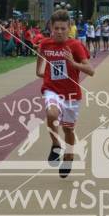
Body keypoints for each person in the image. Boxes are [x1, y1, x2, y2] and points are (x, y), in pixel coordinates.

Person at [36, 9, 94, 178]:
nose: (59, 32)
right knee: (51, 113)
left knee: (68, 130)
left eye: (63, 28)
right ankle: (55, 145)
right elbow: (41, 55)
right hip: (51, 89)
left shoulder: (75, 45)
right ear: (51, 28)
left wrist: (73, 63)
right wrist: (39, 71)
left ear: (69, 28)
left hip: (71, 95)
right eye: (56, 28)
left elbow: (90, 71)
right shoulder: (46, 44)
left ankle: (68, 156)